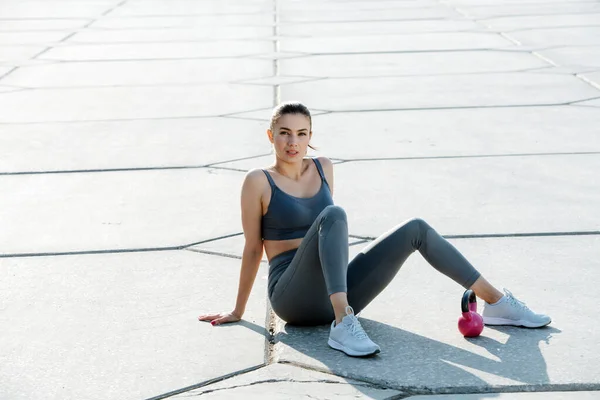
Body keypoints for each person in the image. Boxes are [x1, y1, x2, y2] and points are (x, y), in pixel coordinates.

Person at [198, 101, 551, 357]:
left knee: (415, 228)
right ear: (270, 135)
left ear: (310, 137)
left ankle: (497, 303)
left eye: (302, 134)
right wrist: (239, 311)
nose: (293, 142)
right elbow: (251, 248)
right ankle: (343, 324)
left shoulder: (323, 167)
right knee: (333, 214)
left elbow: (327, 243)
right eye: (285, 133)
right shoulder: (258, 181)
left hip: (335, 290)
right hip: (291, 297)